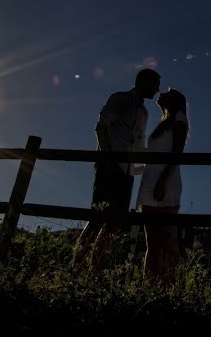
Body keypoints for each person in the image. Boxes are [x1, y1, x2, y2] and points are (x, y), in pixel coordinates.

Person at [73, 68, 160, 271]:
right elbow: (101, 127)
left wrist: (144, 167)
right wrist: (108, 160)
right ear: (143, 81)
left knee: (113, 225)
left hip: (127, 174)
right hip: (109, 167)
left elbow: (139, 142)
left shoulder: (144, 113)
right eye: (155, 83)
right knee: (97, 219)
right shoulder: (120, 99)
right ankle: (76, 269)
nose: (157, 89)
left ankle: (95, 272)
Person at [137, 88, 189, 284]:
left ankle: (167, 286)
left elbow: (177, 155)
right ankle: (148, 286)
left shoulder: (179, 120)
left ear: (175, 99)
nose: (161, 93)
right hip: (150, 184)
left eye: (167, 92)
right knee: (152, 242)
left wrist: (162, 181)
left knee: (167, 241)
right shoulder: (164, 122)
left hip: (165, 184)